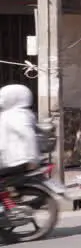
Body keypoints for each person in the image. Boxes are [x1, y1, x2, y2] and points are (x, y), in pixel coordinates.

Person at [0, 85, 38, 229]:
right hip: (7, 158)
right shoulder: (10, 113)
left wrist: (33, 158)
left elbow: (28, 136)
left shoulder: (17, 115)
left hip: (16, 159)